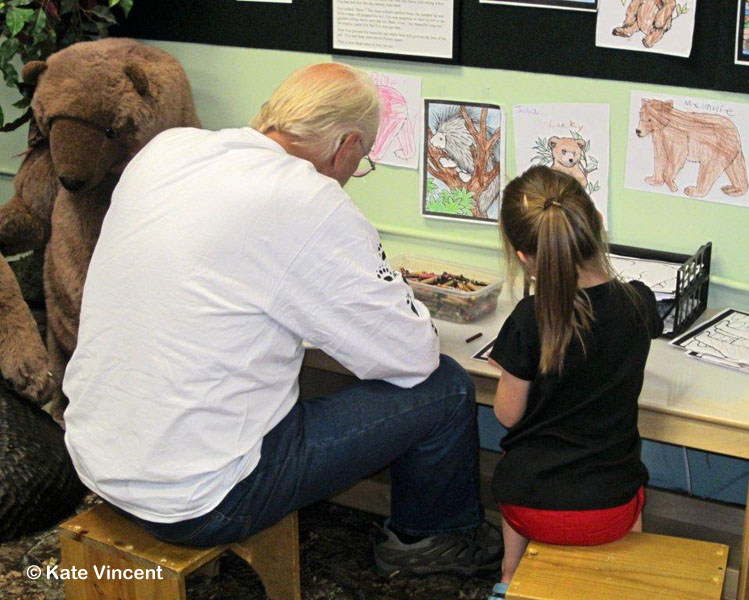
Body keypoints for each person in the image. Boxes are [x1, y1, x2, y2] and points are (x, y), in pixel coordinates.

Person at [62, 62, 501, 576]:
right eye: (360, 165)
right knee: (446, 387)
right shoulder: (309, 199)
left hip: (96, 460)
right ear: (347, 147)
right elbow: (411, 357)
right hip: (202, 501)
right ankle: (429, 541)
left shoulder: (168, 150)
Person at [485, 166, 663, 599]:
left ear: (524, 258)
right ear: (596, 224)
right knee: (635, 480)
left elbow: (508, 416)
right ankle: (625, 579)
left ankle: (509, 574)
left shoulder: (529, 318)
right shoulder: (637, 303)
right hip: (610, 512)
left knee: (516, 463)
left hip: (529, 509)